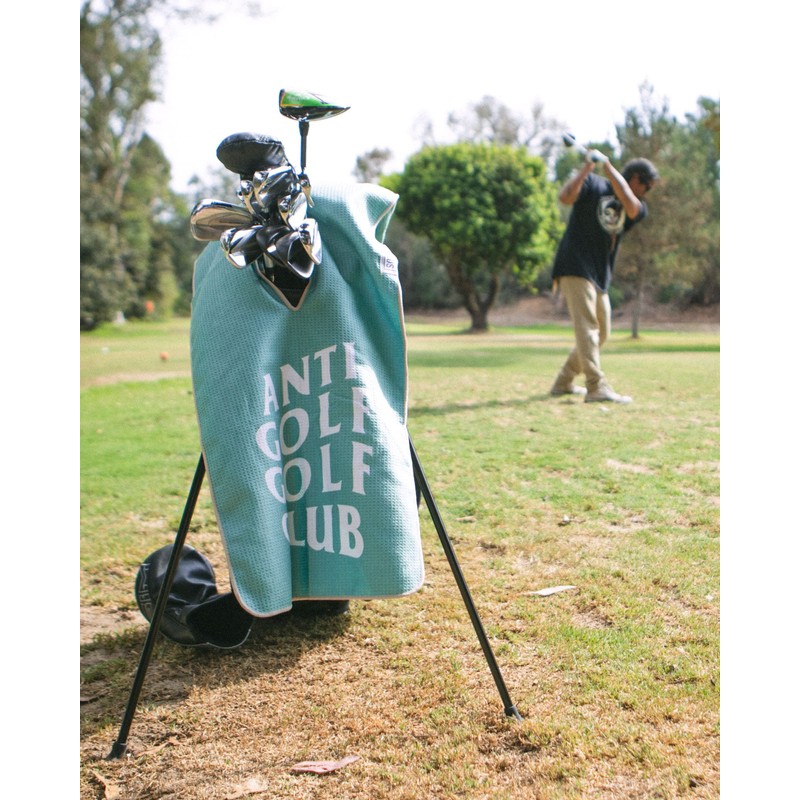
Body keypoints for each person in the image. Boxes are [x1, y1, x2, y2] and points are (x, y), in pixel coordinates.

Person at [549, 151, 659, 403]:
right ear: (636, 178)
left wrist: (607, 165)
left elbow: (631, 206)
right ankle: (596, 386)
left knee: (602, 332)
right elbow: (565, 197)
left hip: (600, 273)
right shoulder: (593, 184)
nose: (647, 192)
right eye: (647, 186)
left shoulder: (637, 205)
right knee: (588, 328)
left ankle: (563, 382)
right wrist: (587, 168)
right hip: (575, 264)